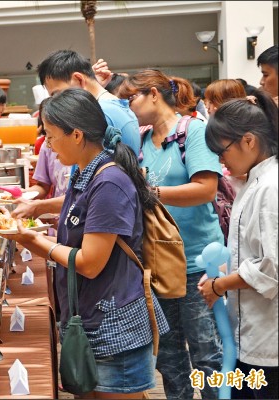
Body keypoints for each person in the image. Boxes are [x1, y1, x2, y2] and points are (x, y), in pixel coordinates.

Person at [2, 88, 169, 397]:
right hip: (89, 313)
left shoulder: (109, 181)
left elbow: (90, 264)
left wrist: (35, 240)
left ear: (76, 135)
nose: (48, 147)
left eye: (51, 137)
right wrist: (36, 220)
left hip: (112, 320)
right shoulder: (85, 173)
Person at [118, 69, 224, 400]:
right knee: (169, 357)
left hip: (196, 261)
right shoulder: (140, 139)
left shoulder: (193, 130)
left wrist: (153, 192)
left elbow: (206, 189)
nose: (127, 105)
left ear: (152, 93)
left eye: (130, 98)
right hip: (159, 262)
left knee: (208, 355)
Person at [199, 90, 278, 400]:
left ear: (248, 140)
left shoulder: (270, 187)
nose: (220, 160)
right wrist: (221, 278)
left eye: (222, 150)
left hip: (268, 340)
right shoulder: (254, 181)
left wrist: (221, 285)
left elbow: (271, 268)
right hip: (251, 337)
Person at [11, 50, 140, 220]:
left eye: (58, 94)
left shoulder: (101, 113)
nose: (56, 103)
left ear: (79, 79)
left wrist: (39, 207)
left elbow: (92, 193)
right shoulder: (110, 107)